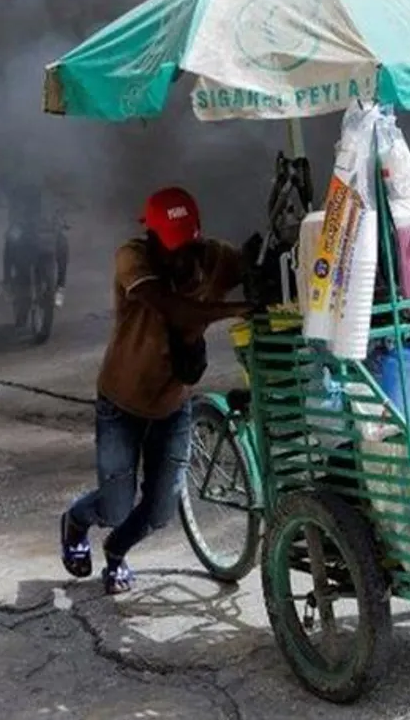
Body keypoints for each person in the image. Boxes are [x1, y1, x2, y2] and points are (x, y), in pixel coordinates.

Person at [59, 186, 251, 594]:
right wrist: (238, 309)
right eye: (172, 248)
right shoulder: (133, 258)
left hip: (172, 405)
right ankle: (76, 520)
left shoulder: (213, 258)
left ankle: (116, 551)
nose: (181, 257)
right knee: (115, 506)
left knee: (161, 509)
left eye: (188, 246)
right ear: (152, 237)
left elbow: (251, 267)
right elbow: (175, 309)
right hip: (121, 404)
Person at [0, 177, 71, 308]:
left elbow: (59, 215)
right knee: (10, 240)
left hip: (46, 236)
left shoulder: (52, 195)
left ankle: (60, 287)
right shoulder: (22, 191)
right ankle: (7, 282)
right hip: (26, 230)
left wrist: (60, 223)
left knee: (63, 244)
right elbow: (15, 213)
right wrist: (17, 222)